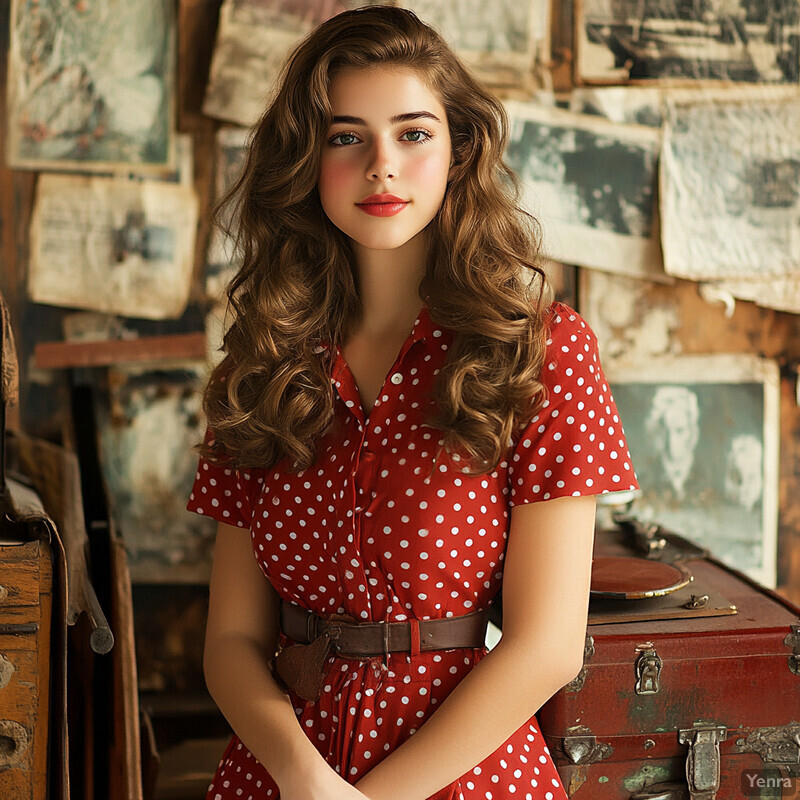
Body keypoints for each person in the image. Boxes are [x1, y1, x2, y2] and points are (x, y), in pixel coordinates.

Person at [187, 6, 638, 799]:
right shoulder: (261, 362)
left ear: (460, 149)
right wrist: (305, 781)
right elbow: (230, 638)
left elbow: (549, 646)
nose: (382, 166)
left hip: (466, 774)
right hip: (283, 776)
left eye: (413, 133)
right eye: (346, 136)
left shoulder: (539, 350)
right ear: (307, 158)